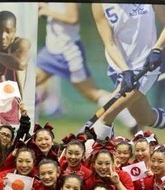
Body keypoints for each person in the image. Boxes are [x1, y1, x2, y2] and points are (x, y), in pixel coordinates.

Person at [35, 3, 138, 132]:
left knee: (93, 94)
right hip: (51, 50)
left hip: (68, 52)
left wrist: (48, 11)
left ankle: (132, 123)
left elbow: (72, 18)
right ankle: (28, 127)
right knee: (27, 84)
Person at [89, 3, 165, 140]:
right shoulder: (98, 4)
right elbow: (109, 44)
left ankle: (96, 151)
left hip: (146, 66)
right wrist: (125, 70)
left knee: (107, 115)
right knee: (145, 117)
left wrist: (157, 49)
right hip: (119, 67)